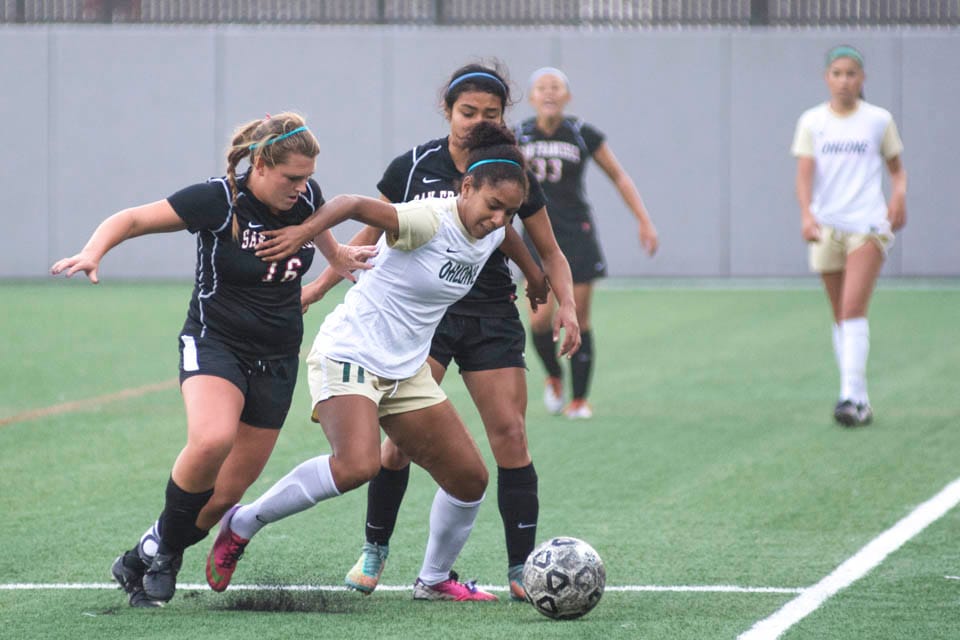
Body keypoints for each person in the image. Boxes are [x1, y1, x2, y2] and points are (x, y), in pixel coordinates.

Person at [255, 62, 581, 601]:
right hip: (422, 319)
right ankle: (375, 547)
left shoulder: (509, 174)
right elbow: (367, 232)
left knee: (511, 435)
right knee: (398, 444)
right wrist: (318, 286)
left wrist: (557, 296)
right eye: (467, 111)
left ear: (503, 118)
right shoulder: (412, 167)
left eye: (490, 113)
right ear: (448, 111)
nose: (475, 120)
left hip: (488, 313)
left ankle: (523, 570)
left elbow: (533, 245)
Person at [50, 112, 376, 607]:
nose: (302, 187)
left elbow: (320, 227)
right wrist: (94, 251)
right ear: (261, 164)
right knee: (211, 440)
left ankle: (149, 550)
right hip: (215, 341)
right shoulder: (219, 200)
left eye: (308, 177)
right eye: (292, 177)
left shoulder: (306, 197)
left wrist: (337, 259)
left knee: (223, 497)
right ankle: (164, 559)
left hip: (279, 355)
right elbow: (132, 219)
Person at [205, 121, 532, 602]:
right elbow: (353, 204)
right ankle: (243, 523)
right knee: (357, 465)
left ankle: (434, 580)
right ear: (466, 188)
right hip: (351, 352)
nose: (499, 219)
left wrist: (538, 279)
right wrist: (307, 234)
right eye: (492, 206)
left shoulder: (492, 230)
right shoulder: (427, 219)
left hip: (405, 369)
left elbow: (509, 241)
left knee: (470, 480)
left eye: (510, 211)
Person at [516, 66, 659, 420]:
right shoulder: (516, 135)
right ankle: (553, 375)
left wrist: (644, 220)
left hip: (576, 233)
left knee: (579, 314)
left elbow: (619, 176)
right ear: (532, 97)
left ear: (567, 96)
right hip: (535, 235)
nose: (549, 93)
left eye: (556, 87)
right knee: (538, 320)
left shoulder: (581, 133)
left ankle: (580, 399)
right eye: (542, 88)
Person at [791, 45, 907, 427]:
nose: (844, 81)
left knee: (853, 308)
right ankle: (860, 398)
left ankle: (847, 397)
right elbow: (805, 175)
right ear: (827, 77)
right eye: (837, 73)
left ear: (863, 78)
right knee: (839, 313)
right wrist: (807, 215)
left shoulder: (877, 120)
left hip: (868, 224)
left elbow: (897, 170)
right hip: (827, 225)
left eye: (851, 73)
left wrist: (899, 198)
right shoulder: (812, 121)